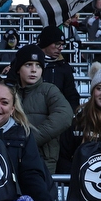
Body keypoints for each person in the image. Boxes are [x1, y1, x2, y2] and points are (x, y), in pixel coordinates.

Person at [8, 44, 73, 176]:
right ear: (18, 69)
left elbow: (65, 115)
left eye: (38, 65)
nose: (34, 70)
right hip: (11, 157)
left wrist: (31, 139)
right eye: (28, 65)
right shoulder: (8, 92)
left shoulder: (49, 90)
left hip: (43, 159)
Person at [37, 25, 81, 112]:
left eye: (62, 45)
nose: (61, 48)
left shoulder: (64, 67)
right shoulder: (28, 62)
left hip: (57, 116)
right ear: (46, 43)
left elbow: (72, 95)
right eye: (57, 44)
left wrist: (69, 114)